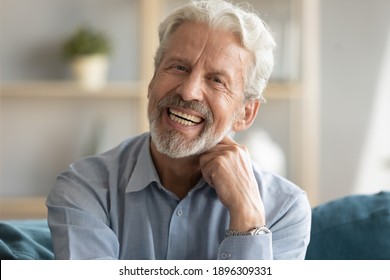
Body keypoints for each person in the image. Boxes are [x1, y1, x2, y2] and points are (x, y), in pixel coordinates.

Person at [46, 0, 311, 260]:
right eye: (179, 67)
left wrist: (248, 222)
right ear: (152, 81)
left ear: (245, 113)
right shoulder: (84, 187)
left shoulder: (284, 210)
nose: (188, 91)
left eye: (216, 80)